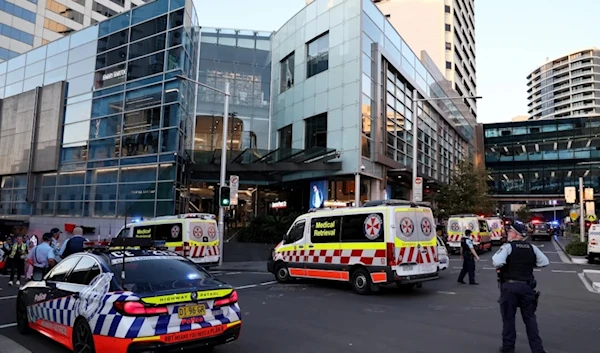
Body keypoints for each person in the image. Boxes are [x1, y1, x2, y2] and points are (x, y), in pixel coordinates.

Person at [492, 225, 549, 353]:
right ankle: (537, 349)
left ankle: (508, 348)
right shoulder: (532, 248)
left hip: (509, 287)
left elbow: (497, 262)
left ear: (516, 234)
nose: (508, 233)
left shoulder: (508, 247)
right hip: (527, 287)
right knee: (530, 319)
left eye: (510, 231)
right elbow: (544, 262)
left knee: (508, 319)